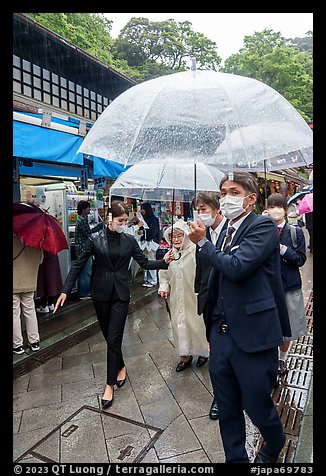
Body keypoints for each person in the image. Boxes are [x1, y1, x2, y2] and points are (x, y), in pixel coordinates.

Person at [188, 171, 291, 464]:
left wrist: (203, 245)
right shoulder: (222, 232)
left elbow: (237, 266)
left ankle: (274, 441)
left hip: (254, 335)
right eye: (223, 192)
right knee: (228, 407)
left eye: (233, 191)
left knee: (258, 406)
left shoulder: (263, 227)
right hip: (220, 335)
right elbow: (214, 278)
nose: (226, 197)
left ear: (250, 199)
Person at [54, 201, 174, 410]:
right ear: (110, 218)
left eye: (126, 221)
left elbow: (144, 263)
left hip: (120, 294)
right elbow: (79, 264)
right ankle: (121, 366)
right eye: (120, 221)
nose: (124, 224)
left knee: (114, 337)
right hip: (100, 294)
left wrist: (164, 262)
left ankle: (109, 385)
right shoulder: (95, 238)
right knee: (109, 337)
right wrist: (65, 290)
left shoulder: (128, 240)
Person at [263, 193, 307, 376]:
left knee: (287, 327)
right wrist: (261, 225)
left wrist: (283, 250)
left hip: (288, 286)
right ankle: (270, 358)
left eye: (279, 206)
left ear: (285, 210)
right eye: (272, 206)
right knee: (269, 325)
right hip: (267, 286)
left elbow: (301, 258)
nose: (275, 210)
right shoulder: (262, 229)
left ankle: (282, 359)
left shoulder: (295, 232)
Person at [194, 192, 228, 420]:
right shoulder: (199, 233)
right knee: (215, 351)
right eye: (198, 209)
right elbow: (201, 265)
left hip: (230, 301)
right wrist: (199, 289)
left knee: (230, 352)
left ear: (217, 210)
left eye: (204, 208)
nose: (200, 213)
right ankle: (220, 395)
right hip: (209, 300)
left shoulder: (231, 231)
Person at [158, 219, 209, 372]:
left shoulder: (194, 251)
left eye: (179, 236)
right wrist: (163, 287)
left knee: (197, 324)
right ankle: (184, 355)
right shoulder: (170, 255)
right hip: (176, 297)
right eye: (172, 237)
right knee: (178, 324)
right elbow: (164, 273)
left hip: (193, 296)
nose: (176, 239)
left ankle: (202, 352)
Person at [33, 187, 63, 313]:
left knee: (44, 280)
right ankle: (50, 304)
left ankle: (44, 305)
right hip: (52, 253)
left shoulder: (38, 223)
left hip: (43, 254)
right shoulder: (51, 223)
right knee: (52, 279)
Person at [13, 234, 43, 353]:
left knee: (14, 313)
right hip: (30, 282)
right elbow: (40, 260)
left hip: (14, 283)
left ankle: (17, 345)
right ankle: (34, 342)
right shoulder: (35, 242)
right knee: (30, 310)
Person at [74, 200, 104, 299]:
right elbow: (89, 233)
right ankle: (84, 293)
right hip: (83, 249)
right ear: (83, 209)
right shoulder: (82, 220)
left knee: (84, 271)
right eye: (88, 208)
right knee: (86, 271)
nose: (89, 209)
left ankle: (83, 291)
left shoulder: (82, 219)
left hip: (82, 248)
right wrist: (100, 226)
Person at [139, 203, 160, 287]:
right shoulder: (143, 219)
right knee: (145, 261)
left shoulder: (153, 219)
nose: (142, 211)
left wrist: (144, 232)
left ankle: (153, 280)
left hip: (151, 244)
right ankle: (147, 279)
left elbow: (154, 232)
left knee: (151, 260)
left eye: (143, 209)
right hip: (145, 243)